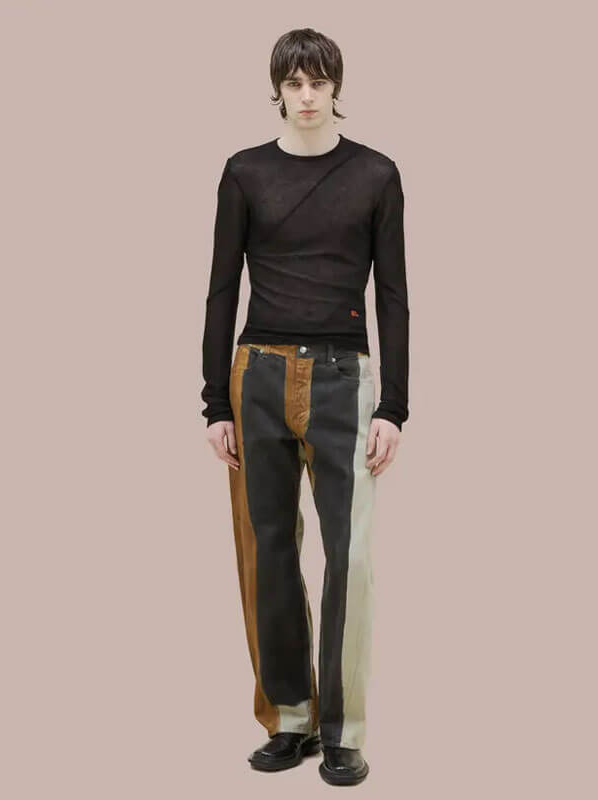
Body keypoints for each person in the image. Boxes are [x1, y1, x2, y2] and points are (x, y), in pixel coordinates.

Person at [200, 27, 409, 786]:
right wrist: (214, 403)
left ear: (336, 87)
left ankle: (344, 730)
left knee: (349, 557)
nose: (308, 96)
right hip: (255, 376)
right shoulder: (245, 172)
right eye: (295, 83)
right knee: (268, 552)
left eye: (319, 82)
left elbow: (393, 295)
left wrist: (394, 406)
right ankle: (289, 718)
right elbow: (222, 288)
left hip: (343, 380)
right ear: (278, 90)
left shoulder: (376, 174)